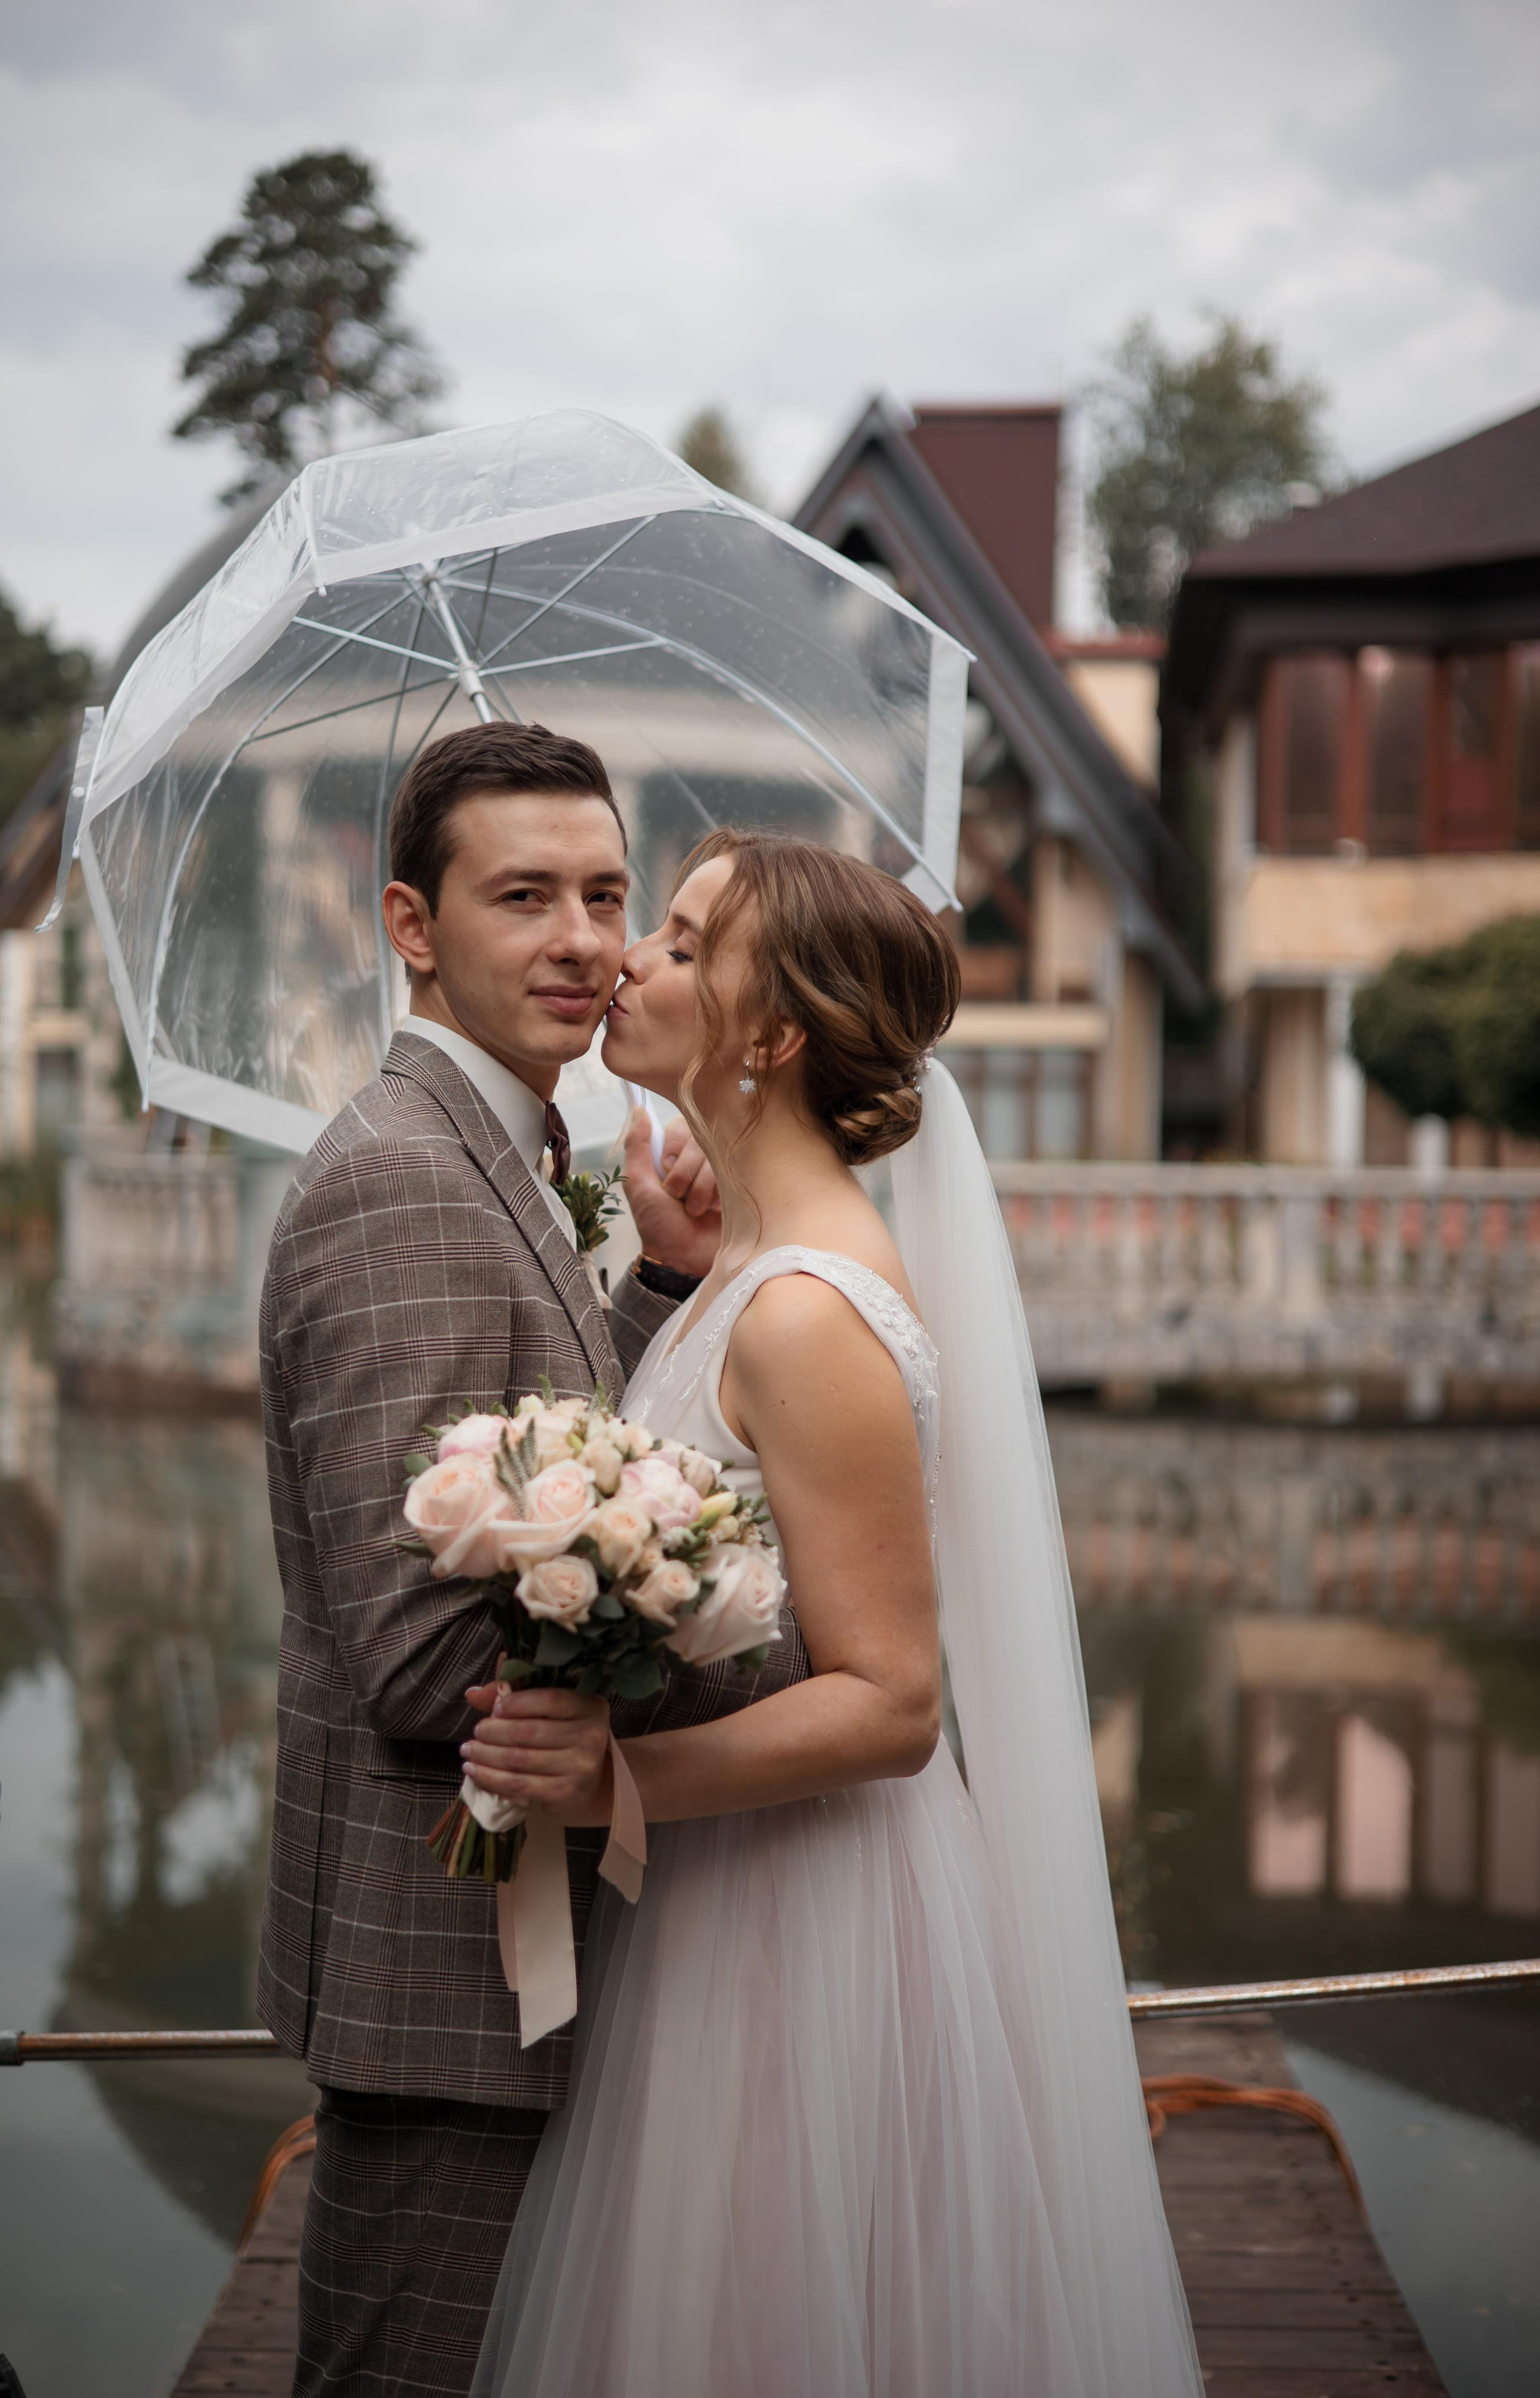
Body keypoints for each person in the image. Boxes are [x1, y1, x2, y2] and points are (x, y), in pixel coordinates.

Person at [465, 831, 1205, 2396]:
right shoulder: (750, 1268)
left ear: (772, 1030)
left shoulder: (808, 1314)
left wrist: (611, 1782)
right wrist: (685, 1263)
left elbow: (890, 1703)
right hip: (724, 1888)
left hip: (798, 1916)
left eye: (676, 939)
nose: (629, 960)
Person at [256, 724, 809, 2398]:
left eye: (606, 894)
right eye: (524, 897)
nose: (584, 938)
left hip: (521, 1982)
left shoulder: (514, 1155)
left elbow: (524, 1463)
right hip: (449, 1994)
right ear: (412, 924)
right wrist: (764, 1652)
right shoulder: (403, 1185)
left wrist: (648, 1295)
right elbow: (425, 1662)